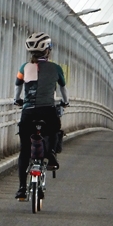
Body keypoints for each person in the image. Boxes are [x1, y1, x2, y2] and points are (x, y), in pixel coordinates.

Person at [13, 32, 68, 200]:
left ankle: (22, 188)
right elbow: (63, 90)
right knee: (55, 129)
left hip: (28, 112)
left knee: (24, 150)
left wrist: (17, 100)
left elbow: (18, 87)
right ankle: (50, 153)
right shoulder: (56, 68)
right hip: (48, 110)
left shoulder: (24, 68)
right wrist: (65, 102)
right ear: (48, 50)